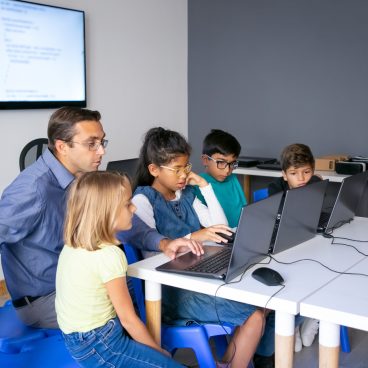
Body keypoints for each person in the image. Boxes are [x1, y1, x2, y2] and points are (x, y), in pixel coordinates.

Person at [0, 106, 201, 329]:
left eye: (102, 142)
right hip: (47, 298)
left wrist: (164, 242)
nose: (101, 151)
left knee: (155, 286)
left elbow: (123, 222)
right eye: (91, 144)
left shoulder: (82, 178)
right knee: (143, 300)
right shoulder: (32, 190)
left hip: (83, 281)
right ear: (62, 146)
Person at [132, 127, 268, 368]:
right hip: (171, 292)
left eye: (187, 167)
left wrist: (205, 186)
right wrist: (196, 235)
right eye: (177, 169)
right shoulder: (143, 200)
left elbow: (220, 228)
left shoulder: (186, 195)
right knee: (255, 314)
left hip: (199, 276)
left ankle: (227, 363)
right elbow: (150, 256)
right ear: (154, 169)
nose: (184, 175)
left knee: (263, 301)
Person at [56, 171, 184, 368]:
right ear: (105, 212)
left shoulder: (73, 245)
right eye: (127, 204)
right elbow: (128, 320)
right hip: (100, 342)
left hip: (76, 339)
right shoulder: (109, 255)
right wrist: (160, 353)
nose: (133, 208)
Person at [268, 143, 321, 352]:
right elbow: (277, 219)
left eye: (307, 172)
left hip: (311, 241)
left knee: (324, 270)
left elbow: (322, 212)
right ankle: (295, 324)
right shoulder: (276, 189)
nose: (301, 179)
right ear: (284, 174)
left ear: (313, 170)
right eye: (294, 173)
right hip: (285, 245)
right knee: (294, 277)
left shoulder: (315, 183)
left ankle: (312, 317)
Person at [194, 129, 246, 228]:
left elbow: (244, 213)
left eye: (232, 164)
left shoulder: (232, 179)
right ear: (205, 160)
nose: (227, 170)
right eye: (221, 162)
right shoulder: (197, 185)